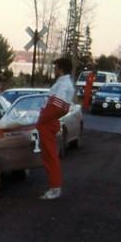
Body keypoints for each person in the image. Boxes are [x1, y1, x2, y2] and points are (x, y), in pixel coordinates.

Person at [36, 57, 74, 200]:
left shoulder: (63, 85)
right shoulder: (62, 83)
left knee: (51, 156)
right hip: (49, 122)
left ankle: (55, 187)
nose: (54, 70)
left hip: (48, 123)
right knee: (48, 156)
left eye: (56, 67)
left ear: (61, 69)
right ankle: (54, 186)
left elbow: (57, 107)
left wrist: (41, 120)